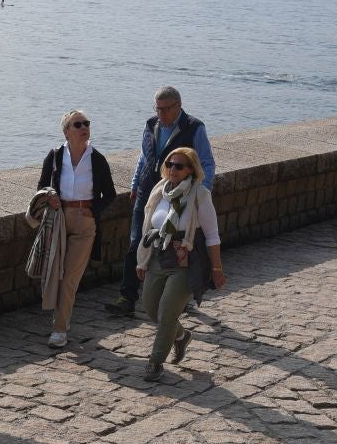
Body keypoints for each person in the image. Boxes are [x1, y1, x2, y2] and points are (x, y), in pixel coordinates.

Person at [107, 86, 215, 317]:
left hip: (180, 197)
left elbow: (206, 163)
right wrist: (136, 184)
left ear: (179, 106)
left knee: (174, 247)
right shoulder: (151, 124)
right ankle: (127, 297)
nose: (161, 114)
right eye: (158, 109)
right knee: (137, 242)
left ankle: (177, 296)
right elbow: (144, 157)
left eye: (166, 109)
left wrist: (198, 195)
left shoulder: (194, 128)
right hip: (150, 194)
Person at [134, 148, 227, 381]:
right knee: (150, 307)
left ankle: (155, 362)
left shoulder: (199, 195)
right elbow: (148, 227)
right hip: (157, 255)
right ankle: (181, 336)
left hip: (186, 260)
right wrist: (143, 260)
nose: (173, 169)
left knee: (167, 313)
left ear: (191, 170)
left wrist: (216, 269)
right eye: (170, 164)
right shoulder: (159, 190)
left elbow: (212, 235)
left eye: (179, 166)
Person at [35, 110, 117, 348]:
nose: (84, 128)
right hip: (58, 219)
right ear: (66, 131)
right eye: (77, 124)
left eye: (86, 123)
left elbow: (109, 194)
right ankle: (63, 316)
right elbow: (41, 186)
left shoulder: (97, 159)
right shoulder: (54, 156)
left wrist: (93, 211)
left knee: (70, 277)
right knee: (54, 272)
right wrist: (50, 197)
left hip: (84, 221)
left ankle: (59, 329)